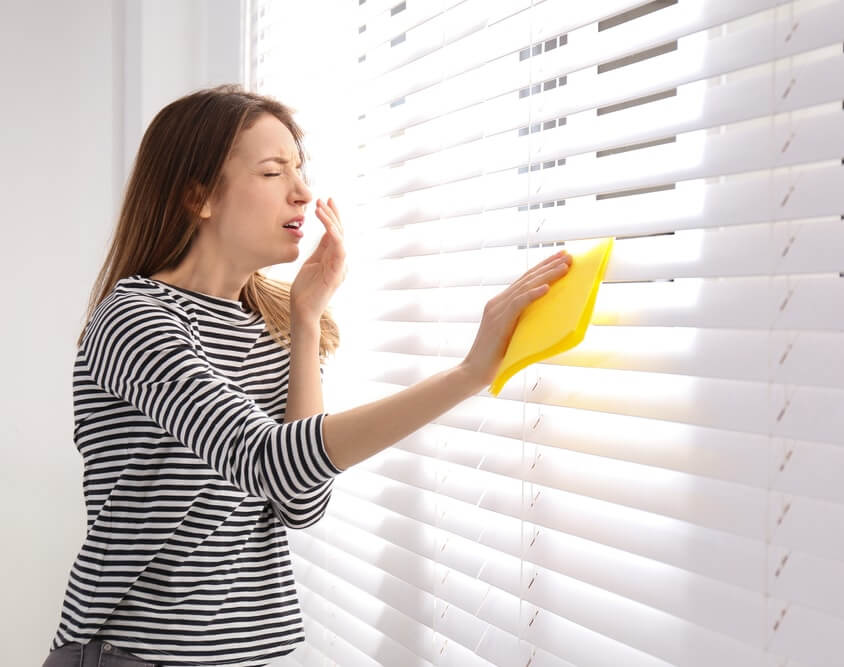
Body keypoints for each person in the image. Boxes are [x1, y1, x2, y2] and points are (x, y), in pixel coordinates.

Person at [43, 84, 571, 667]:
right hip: (133, 655)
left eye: (300, 169)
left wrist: (304, 320)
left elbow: (298, 498)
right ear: (200, 197)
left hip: (241, 655)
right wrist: (471, 373)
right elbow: (268, 457)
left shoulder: (270, 320)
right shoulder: (135, 317)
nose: (302, 192)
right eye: (273, 173)